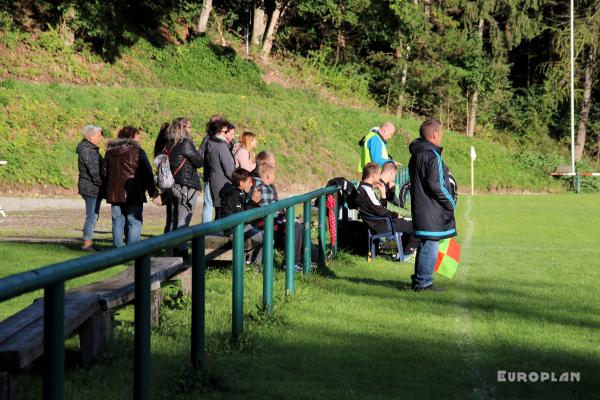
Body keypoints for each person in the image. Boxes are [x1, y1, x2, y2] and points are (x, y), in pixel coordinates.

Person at [408, 118, 457, 292]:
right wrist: (450, 202)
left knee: (426, 243)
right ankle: (423, 282)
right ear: (435, 134)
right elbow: (435, 184)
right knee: (430, 243)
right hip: (431, 209)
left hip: (422, 207)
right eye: (441, 134)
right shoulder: (432, 154)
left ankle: (420, 280)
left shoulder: (417, 154)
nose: (441, 137)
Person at [103, 126, 158, 247]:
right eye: (138, 136)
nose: (140, 139)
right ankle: (133, 251)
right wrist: (153, 192)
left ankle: (117, 250)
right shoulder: (137, 151)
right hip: (133, 191)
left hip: (114, 193)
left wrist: (108, 187)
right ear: (131, 137)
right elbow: (147, 173)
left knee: (117, 221)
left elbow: (105, 172)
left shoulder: (110, 151)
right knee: (133, 221)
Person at [355, 162, 418, 258]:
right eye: (379, 174)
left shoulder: (363, 188)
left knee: (409, 224)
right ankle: (406, 255)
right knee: (417, 225)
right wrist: (395, 215)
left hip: (380, 223)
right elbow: (381, 211)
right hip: (381, 225)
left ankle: (402, 252)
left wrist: (383, 195)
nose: (380, 177)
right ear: (372, 175)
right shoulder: (367, 190)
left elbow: (379, 208)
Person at [251, 163, 304, 271]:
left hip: (266, 222)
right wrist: (283, 217)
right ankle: (291, 263)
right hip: (265, 225)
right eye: (273, 174)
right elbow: (267, 211)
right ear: (267, 175)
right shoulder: (264, 188)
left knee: (297, 227)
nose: (274, 177)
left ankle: (297, 261)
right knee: (295, 227)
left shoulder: (259, 185)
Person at [163, 117, 204, 257]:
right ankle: (180, 250)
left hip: (173, 185)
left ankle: (172, 247)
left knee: (175, 218)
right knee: (183, 219)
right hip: (186, 186)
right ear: (183, 128)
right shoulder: (185, 143)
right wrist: (201, 151)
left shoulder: (169, 144)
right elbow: (199, 162)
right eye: (190, 127)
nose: (191, 130)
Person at [219, 168, 264, 264]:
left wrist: (253, 202)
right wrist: (253, 201)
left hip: (240, 226)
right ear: (241, 183)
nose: (251, 184)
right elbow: (241, 216)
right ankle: (256, 264)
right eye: (249, 182)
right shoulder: (234, 193)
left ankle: (251, 261)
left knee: (265, 235)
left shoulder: (239, 192)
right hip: (234, 229)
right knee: (266, 238)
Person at [76, 125, 105, 251]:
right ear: (92, 136)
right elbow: (94, 171)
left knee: (93, 215)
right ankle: (87, 244)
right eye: (98, 136)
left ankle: (88, 241)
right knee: (92, 216)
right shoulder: (88, 150)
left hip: (90, 186)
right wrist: (103, 184)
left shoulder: (88, 149)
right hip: (91, 187)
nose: (100, 138)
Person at [204, 120, 236, 219]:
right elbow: (230, 170)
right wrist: (238, 180)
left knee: (218, 213)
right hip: (223, 184)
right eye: (226, 132)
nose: (228, 135)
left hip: (216, 181)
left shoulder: (211, 142)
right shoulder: (221, 146)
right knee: (222, 214)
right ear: (220, 132)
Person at [200, 114, 224, 223]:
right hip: (216, 176)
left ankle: (206, 233)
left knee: (210, 205)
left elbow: (199, 156)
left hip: (213, 176)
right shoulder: (223, 140)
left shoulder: (207, 139)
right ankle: (206, 233)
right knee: (210, 205)